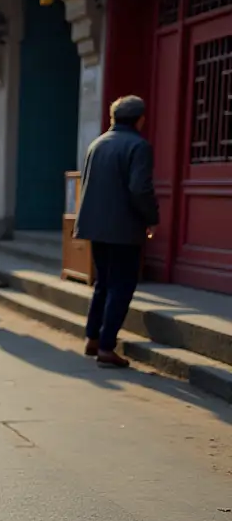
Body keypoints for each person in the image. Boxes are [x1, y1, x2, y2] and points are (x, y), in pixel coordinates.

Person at [74, 95, 159, 368]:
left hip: (96, 226)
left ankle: (93, 337)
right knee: (121, 286)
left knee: (103, 282)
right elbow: (139, 188)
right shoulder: (138, 146)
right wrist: (151, 217)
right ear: (140, 119)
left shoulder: (97, 144)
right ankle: (107, 346)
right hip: (123, 227)